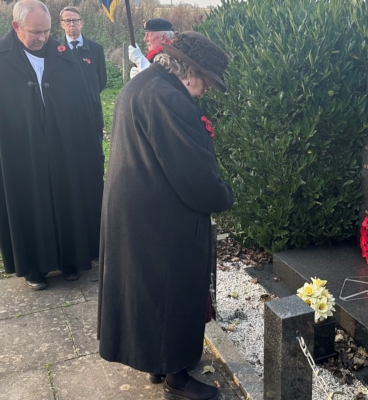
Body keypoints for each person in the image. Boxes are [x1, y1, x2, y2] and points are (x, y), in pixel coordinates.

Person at [97, 32, 233, 400]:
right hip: (163, 218)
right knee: (172, 291)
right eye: (206, 81)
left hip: (140, 210)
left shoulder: (144, 83)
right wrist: (223, 196)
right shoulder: (169, 98)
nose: (205, 90)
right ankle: (177, 379)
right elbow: (193, 175)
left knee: (152, 292)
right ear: (189, 71)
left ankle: (158, 362)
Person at [0, 0, 103, 290]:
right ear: (16, 27)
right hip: (19, 147)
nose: (43, 38)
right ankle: (35, 267)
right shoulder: (2, 57)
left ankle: (71, 259)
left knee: (68, 194)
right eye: (36, 32)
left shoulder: (63, 56)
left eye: (46, 31)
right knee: (29, 200)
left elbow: (85, 101)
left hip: (64, 142)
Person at [58, 6, 107, 163]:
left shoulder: (96, 49)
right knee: (69, 158)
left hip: (91, 112)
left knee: (94, 157)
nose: (72, 24)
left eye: (76, 20)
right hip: (65, 115)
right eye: (68, 20)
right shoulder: (53, 50)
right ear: (62, 24)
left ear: (82, 23)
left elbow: (101, 80)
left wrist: (87, 96)